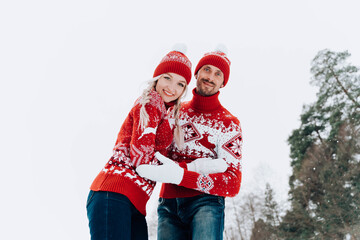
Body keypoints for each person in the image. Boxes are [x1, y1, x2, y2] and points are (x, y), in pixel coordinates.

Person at [86, 45, 194, 240]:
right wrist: (182, 173)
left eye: (180, 84)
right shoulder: (151, 101)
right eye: (167, 78)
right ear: (157, 78)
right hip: (115, 192)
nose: (171, 87)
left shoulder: (168, 113)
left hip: (133, 201)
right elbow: (141, 158)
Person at [137, 45, 243, 240]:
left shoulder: (229, 124)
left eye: (218, 74)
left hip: (206, 204)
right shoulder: (174, 112)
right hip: (168, 204)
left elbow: (233, 182)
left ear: (223, 83)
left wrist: (183, 175)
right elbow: (156, 154)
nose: (210, 77)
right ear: (196, 72)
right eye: (207, 69)